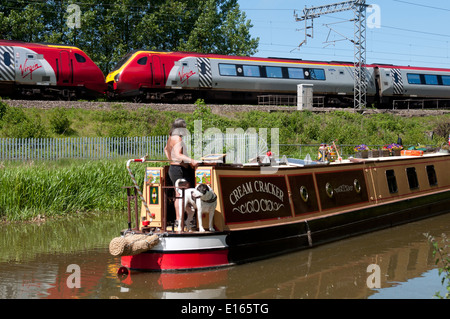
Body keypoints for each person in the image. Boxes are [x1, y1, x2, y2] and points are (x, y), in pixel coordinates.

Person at [164, 118, 199, 230]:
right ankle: (184, 221)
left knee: (178, 195)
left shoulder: (170, 137)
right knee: (183, 195)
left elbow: (165, 149)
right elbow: (178, 155)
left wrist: (170, 160)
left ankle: (178, 221)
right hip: (179, 169)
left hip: (173, 168)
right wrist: (191, 160)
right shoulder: (178, 139)